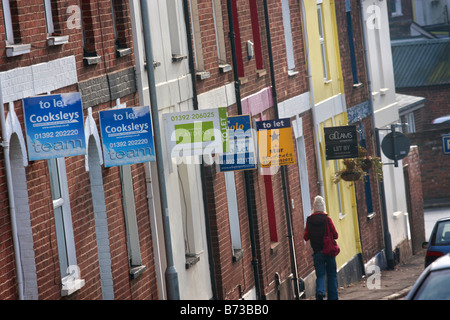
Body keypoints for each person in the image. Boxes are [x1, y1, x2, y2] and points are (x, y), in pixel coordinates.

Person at [304, 195, 339, 300]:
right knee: (332, 275)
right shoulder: (327, 219)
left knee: (320, 275)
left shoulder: (309, 220)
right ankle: (332, 298)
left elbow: (305, 237)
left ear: (314, 208)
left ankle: (320, 292)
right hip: (329, 251)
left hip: (317, 252)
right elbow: (336, 235)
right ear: (323, 207)